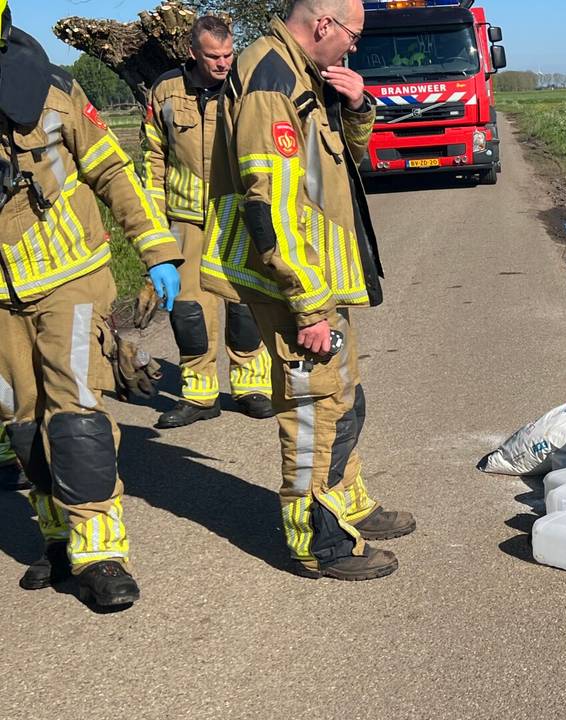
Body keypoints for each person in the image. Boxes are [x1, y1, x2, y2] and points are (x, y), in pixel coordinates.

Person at [203, 0, 415, 581]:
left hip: (317, 277)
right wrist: (308, 305)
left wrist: (358, 104)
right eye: (352, 35)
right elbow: (269, 208)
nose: (353, 48)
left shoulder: (303, 72)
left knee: (344, 395)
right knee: (314, 407)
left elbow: (344, 163)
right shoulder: (271, 80)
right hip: (294, 286)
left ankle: (346, 502)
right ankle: (315, 540)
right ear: (323, 24)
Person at [0, 1, 182, 606]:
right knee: (20, 422)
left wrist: (156, 249)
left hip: (71, 274)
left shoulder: (52, 89)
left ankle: (100, 552)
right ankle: (58, 541)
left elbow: (111, 170)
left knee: (76, 413)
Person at [141, 16, 275, 428]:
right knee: (188, 311)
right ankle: (199, 394)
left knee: (242, 306)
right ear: (192, 53)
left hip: (234, 211)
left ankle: (252, 386)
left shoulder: (245, 85)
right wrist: (153, 223)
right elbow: (154, 159)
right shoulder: (165, 90)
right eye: (213, 56)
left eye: (227, 54)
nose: (222, 63)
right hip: (184, 217)